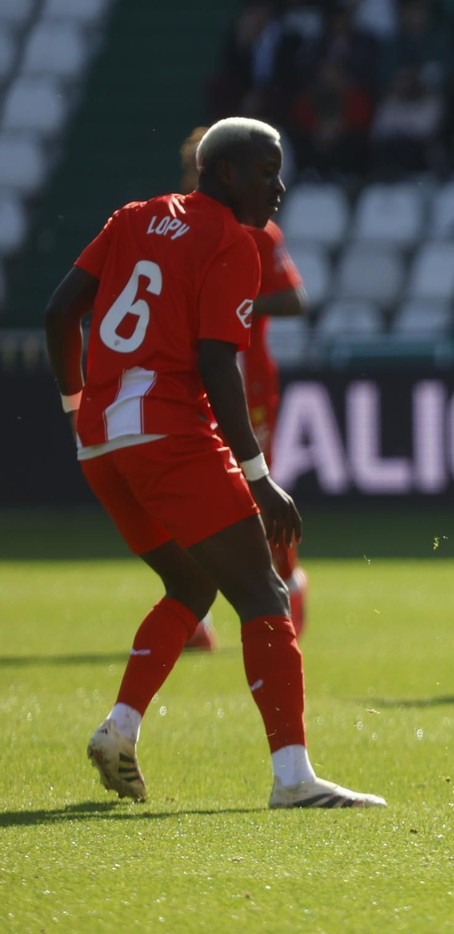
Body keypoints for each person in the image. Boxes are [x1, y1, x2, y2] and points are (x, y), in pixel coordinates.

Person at [43, 118, 383, 809]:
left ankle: (120, 729)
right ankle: (293, 779)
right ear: (225, 173)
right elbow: (215, 361)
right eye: (267, 171)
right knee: (264, 592)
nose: (279, 186)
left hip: (103, 443)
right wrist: (261, 478)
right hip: (171, 434)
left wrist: (76, 405)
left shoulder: (133, 217)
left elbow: (58, 311)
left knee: (190, 586)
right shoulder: (233, 240)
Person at [177, 126, 309, 652]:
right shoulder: (180, 228)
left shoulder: (259, 230)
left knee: (257, 493)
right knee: (192, 498)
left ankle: (288, 585)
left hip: (246, 379)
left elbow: (295, 299)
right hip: (193, 383)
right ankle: (194, 614)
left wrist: (237, 305)